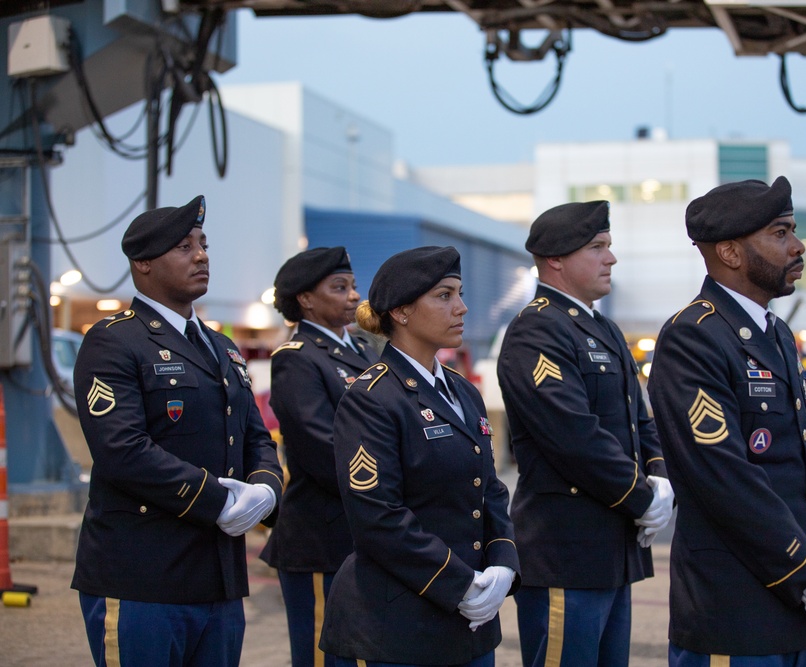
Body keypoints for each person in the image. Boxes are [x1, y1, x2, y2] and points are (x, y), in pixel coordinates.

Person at [647, 177, 806, 666]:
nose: (797, 245)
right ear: (731, 253)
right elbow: (724, 476)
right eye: (780, 233)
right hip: (734, 613)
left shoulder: (777, 333)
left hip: (797, 606)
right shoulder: (693, 338)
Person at [72, 195, 284, 667]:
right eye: (184, 246)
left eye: (204, 244)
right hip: (143, 577)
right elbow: (122, 450)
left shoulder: (223, 348)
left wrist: (266, 490)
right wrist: (219, 501)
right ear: (143, 263)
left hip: (218, 579)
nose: (202, 255)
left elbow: (254, 437)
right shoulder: (114, 341)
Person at [319, 246, 520, 667]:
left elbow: (490, 488)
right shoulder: (373, 398)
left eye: (460, 293)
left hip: (470, 626)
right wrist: (460, 583)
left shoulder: (462, 391)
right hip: (397, 627)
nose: (462, 307)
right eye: (444, 295)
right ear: (402, 312)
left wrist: (503, 562)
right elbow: (378, 515)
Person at [496, 201, 673, 667]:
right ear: (555, 258)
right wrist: (642, 497)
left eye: (609, 246)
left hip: (609, 549)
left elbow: (641, 419)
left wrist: (660, 477)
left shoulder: (603, 329)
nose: (610, 258)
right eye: (597, 247)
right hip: (565, 551)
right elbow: (574, 436)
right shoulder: (536, 330)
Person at [261, 246, 379, 667]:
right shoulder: (298, 359)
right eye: (339, 287)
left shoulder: (362, 352)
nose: (353, 296)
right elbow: (320, 446)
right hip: (320, 537)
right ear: (306, 299)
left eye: (353, 286)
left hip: (360, 529)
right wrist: (389, 486)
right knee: (322, 655)